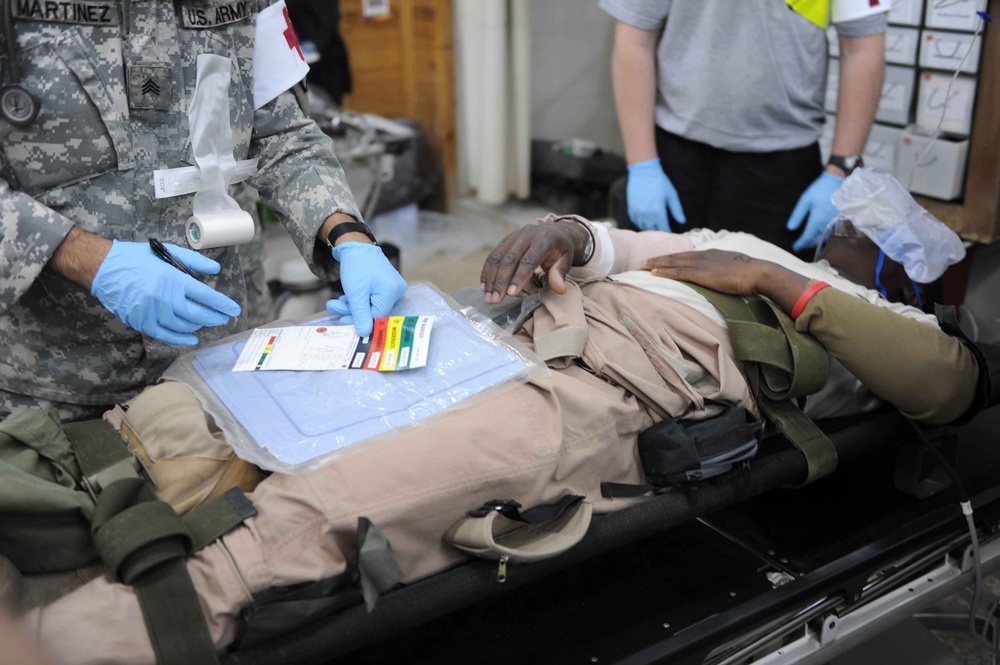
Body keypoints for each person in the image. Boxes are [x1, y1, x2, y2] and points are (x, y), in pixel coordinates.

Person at [17, 197, 986, 663]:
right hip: (502, 337)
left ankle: (70, 639)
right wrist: (568, 234)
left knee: (332, 503)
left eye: (881, 229)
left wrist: (780, 282)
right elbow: (608, 245)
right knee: (210, 405)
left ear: (915, 268)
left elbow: (946, 388)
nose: (855, 223)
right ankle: (55, 500)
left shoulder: (874, 315)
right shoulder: (737, 241)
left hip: (610, 391)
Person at [0, 0, 407, 422]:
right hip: (50, 385)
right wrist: (89, 260)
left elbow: (283, 134)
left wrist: (347, 235)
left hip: (213, 363)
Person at [603, 0, 888, 253]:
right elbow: (634, 38)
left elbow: (862, 49)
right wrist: (643, 166)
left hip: (781, 173)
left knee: (765, 309)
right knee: (658, 301)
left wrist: (840, 171)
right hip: (673, 161)